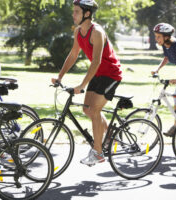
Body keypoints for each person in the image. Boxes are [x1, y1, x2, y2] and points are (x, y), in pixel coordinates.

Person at [51, 0, 122, 166]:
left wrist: (82, 85)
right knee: (87, 109)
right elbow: (73, 54)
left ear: (87, 14)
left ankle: (98, 152)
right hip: (98, 74)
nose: (73, 15)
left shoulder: (96, 32)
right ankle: (110, 133)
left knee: (95, 110)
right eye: (74, 11)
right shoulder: (78, 32)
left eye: (76, 12)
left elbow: (96, 61)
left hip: (111, 74)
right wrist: (60, 77)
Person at [151, 23, 176, 137]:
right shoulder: (165, 45)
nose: (156, 39)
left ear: (166, 36)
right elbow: (166, 57)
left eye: (158, 37)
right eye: (155, 36)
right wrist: (157, 69)